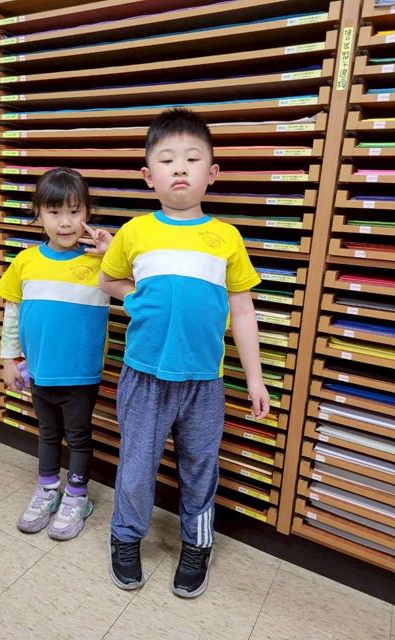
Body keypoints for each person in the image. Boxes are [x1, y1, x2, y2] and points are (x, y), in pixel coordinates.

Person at [99, 108, 270, 597]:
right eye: (167, 159)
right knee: (136, 467)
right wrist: (135, 297)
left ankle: (197, 544)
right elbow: (108, 279)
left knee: (200, 468)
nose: (180, 168)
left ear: (211, 173)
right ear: (148, 176)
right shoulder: (135, 232)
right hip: (144, 377)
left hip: (204, 382)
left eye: (192, 159)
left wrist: (255, 378)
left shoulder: (226, 238)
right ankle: (125, 536)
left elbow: (242, 310)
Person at [0, 167, 112, 540]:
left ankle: (77, 496)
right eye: (54, 211)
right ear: (38, 213)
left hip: (81, 374)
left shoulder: (101, 263)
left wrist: (112, 253)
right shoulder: (25, 261)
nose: (65, 222)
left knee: (78, 436)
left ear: (88, 214)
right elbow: (12, 314)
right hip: (39, 370)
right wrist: (8, 358)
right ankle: (47, 490)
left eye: (75, 212)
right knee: (47, 433)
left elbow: (142, 289)